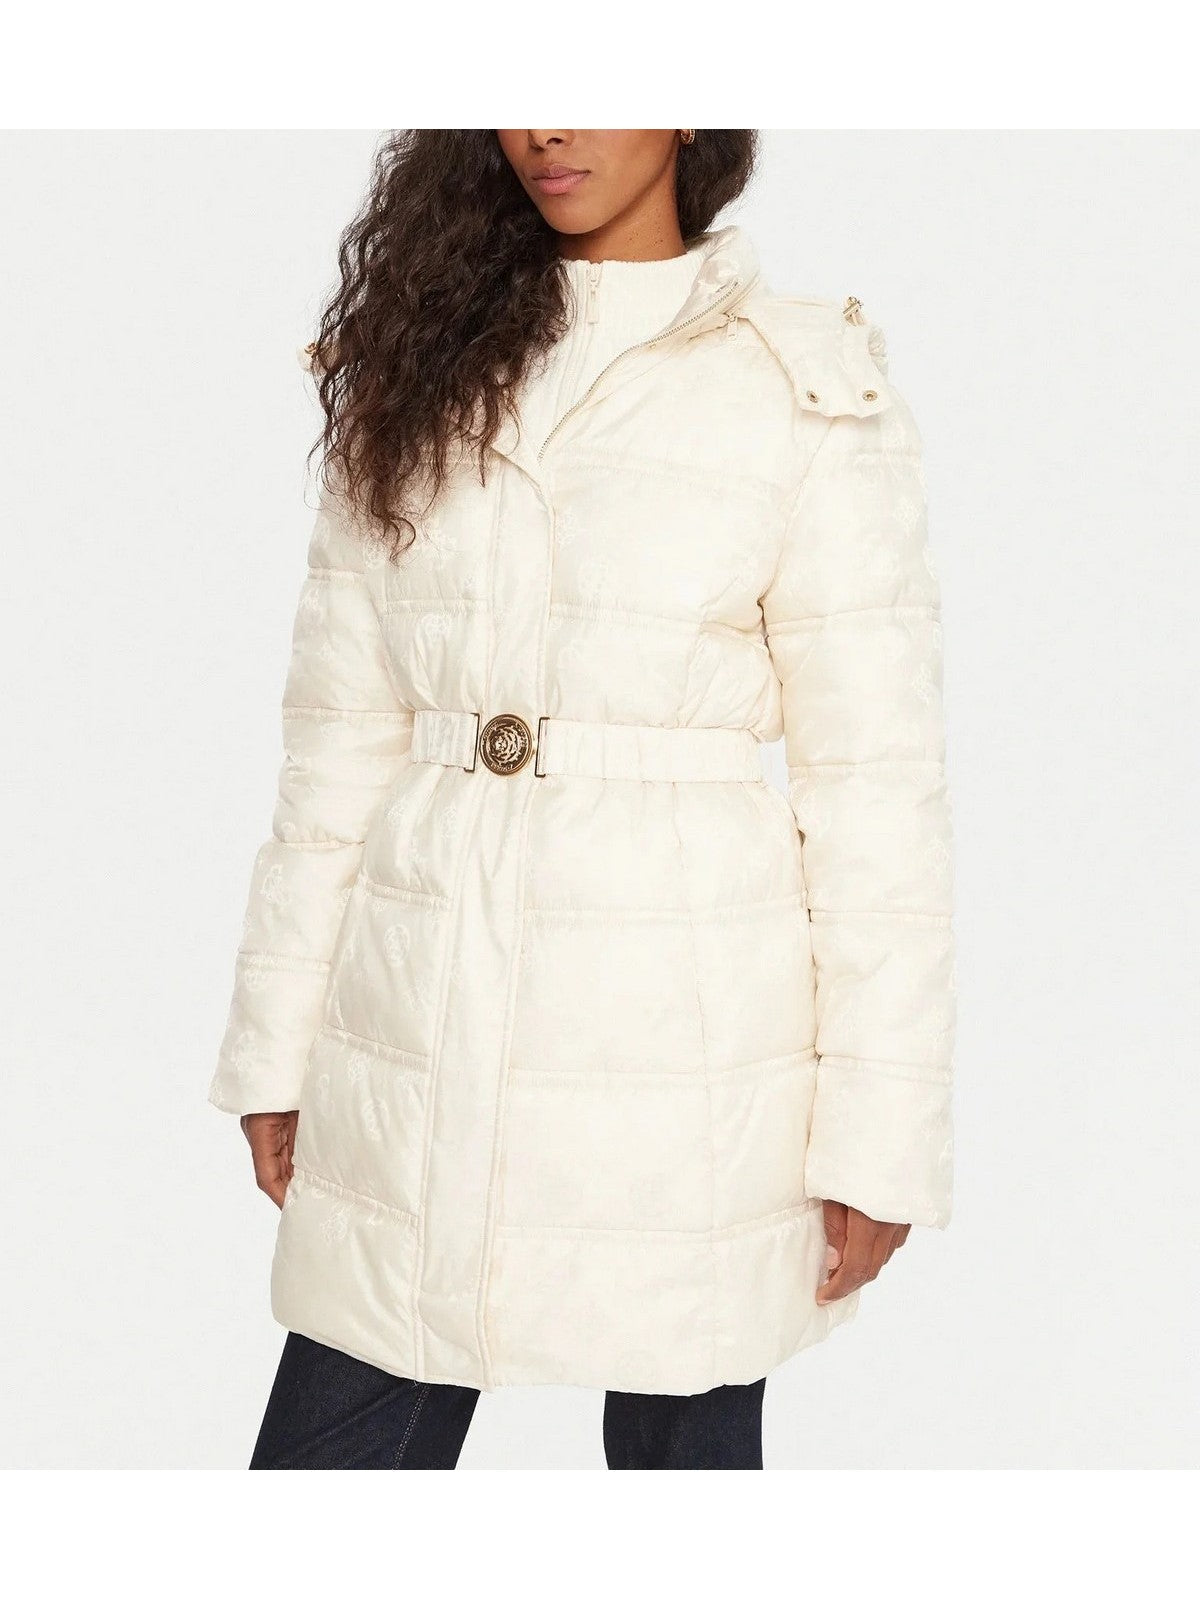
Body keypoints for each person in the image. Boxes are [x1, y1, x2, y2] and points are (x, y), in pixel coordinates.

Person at [210, 129, 955, 1471]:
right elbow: (335, 754)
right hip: (423, 1006)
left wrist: (880, 1137)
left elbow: (875, 798)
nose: (547, 127)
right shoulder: (419, 360)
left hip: (691, 1040)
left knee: (684, 1464)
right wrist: (278, 1046)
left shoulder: (801, 387)